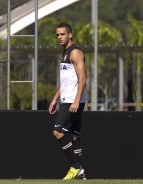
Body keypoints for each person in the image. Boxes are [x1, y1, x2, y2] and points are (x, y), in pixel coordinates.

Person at [48, 22, 86, 180]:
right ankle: (81, 173)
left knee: (57, 132)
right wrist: (55, 99)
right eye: (57, 35)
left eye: (62, 34)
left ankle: (75, 167)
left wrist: (76, 101)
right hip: (67, 98)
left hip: (72, 100)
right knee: (73, 136)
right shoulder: (65, 53)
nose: (59, 37)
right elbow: (67, 82)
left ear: (70, 34)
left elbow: (82, 78)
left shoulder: (75, 52)